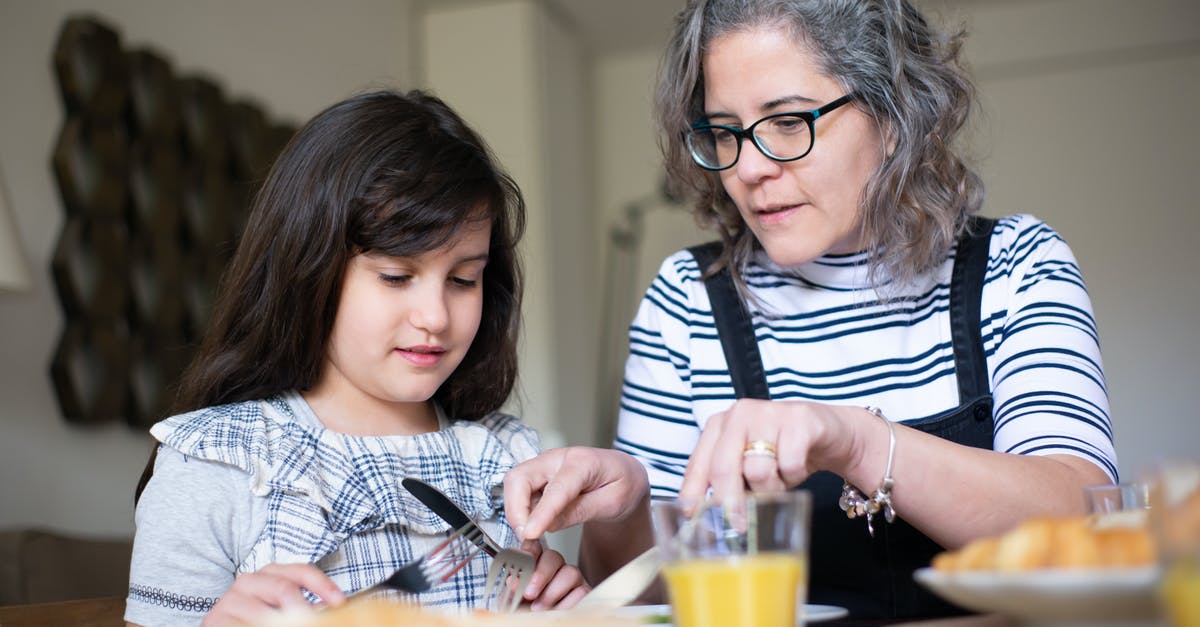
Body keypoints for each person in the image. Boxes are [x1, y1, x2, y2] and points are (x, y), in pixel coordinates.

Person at [503, 0, 1115, 620]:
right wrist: (626, 512)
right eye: (724, 132)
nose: (749, 168)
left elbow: (1084, 537)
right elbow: (640, 600)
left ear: (896, 114)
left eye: (790, 122)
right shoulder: (687, 299)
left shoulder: (1017, 265)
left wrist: (856, 441)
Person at [124, 90, 588, 627]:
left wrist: (561, 611)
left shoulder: (503, 461)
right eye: (396, 276)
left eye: (463, 279)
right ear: (309, 267)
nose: (435, 316)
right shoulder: (219, 462)